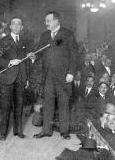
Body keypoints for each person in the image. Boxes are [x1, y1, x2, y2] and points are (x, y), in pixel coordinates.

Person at [28, 12, 78, 140]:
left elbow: (74, 56)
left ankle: (64, 132)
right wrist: (33, 56)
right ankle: (46, 131)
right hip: (48, 77)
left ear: (56, 21)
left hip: (64, 77)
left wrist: (71, 73)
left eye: (48, 21)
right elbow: (39, 52)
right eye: (46, 21)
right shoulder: (44, 35)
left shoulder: (68, 34)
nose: (46, 23)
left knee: (63, 104)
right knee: (48, 104)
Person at [0, 17, 30, 141]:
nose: (16, 26)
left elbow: (26, 62)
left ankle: (18, 131)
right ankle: (3, 133)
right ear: (10, 27)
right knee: (5, 107)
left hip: (20, 79)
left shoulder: (24, 42)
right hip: (7, 79)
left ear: (22, 27)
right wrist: (9, 62)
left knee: (19, 106)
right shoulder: (3, 41)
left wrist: (27, 78)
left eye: (19, 24)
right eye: (13, 24)